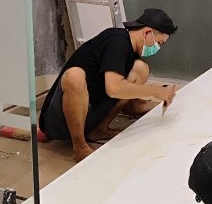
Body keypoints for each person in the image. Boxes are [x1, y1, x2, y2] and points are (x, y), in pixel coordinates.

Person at [38, 8, 179, 162]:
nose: (157, 48)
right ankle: (80, 147)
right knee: (74, 76)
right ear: (147, 33)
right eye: (158, 43)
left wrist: (162, 102)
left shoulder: (130, 50)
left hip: (91, 111)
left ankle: (100, 129)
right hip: (59, 123)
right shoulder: (117, 41)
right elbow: (114, 89)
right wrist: (155, 91)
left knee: (140, 69)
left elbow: (126, 99)